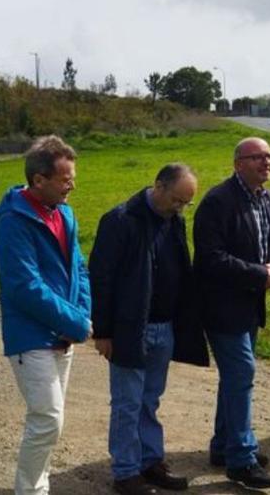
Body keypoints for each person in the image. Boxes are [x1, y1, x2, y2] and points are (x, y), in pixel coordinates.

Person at [89, 164, 209, 495]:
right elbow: (101, 278)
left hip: (164, 327)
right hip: (131, 329)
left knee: (150, 400)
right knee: (127, 402)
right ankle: (126, 473)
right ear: (158, 186)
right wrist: (103, 332)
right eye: (176, 200)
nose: (180, 208)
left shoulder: (175, 220)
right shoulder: (120, 220)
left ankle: (150, 462)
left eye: (186, 203)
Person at [0, 135, 93, 495]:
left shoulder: (63, 213)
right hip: (31, 335)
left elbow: (78, 268)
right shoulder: (12, 221)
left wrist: (81, 311)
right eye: (65, 179)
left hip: (62, 332)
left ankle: (38, 488)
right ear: (39, 181)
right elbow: (24, 286)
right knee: (47, 419)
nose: (73, 185)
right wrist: (75, 322)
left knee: (53, 421)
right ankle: (30, 491)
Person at [193, 137, 270, 490]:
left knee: (234, 377)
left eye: (268, 156)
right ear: (238, 164)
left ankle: (224, 445)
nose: (266, 162)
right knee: (242, 372)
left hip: (250, 304)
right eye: (256, 157)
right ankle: (241, 459)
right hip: (221, 305)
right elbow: (210, 258)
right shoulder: (218, 202)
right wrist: (258, 274)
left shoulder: (268, 199)